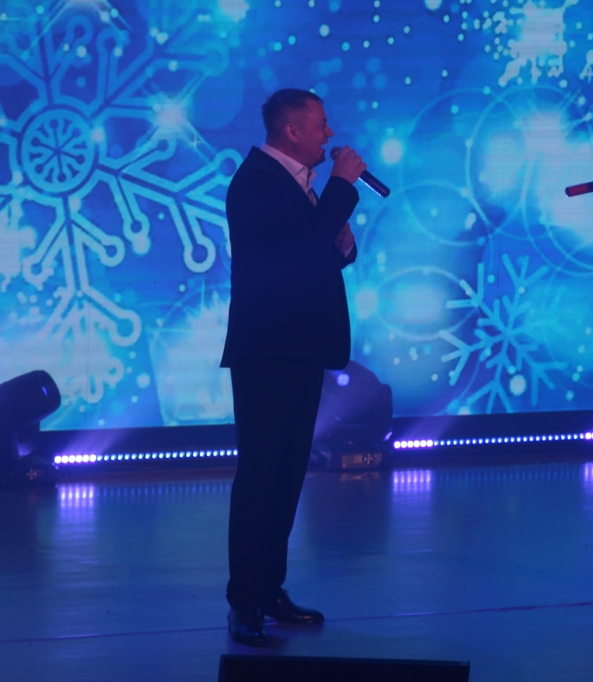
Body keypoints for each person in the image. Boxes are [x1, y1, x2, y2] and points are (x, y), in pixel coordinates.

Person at [220, 88, 366, 646]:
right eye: (321, 124)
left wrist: (341, 241)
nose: (329, 135)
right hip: (267, 351)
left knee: (287, 475)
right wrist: (342, 187)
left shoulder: (299, 186)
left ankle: (269, 588)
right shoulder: (257, 181)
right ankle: (243, 601)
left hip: (302, 346)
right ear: (291, 130)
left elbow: (311, 257)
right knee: (261, 474)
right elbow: (298, 249)